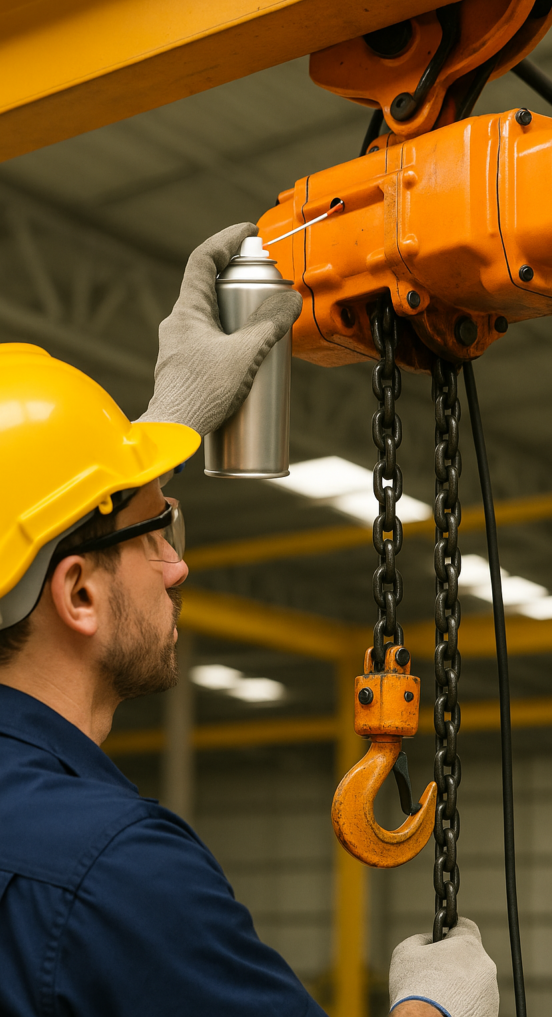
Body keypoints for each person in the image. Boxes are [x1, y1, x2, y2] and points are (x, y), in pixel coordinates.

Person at [0, 222, 499, 1017]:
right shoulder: (116, 874)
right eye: (152, 535)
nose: (178, 565)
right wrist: (433, 1011)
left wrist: (160, 427)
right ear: (77, 595)